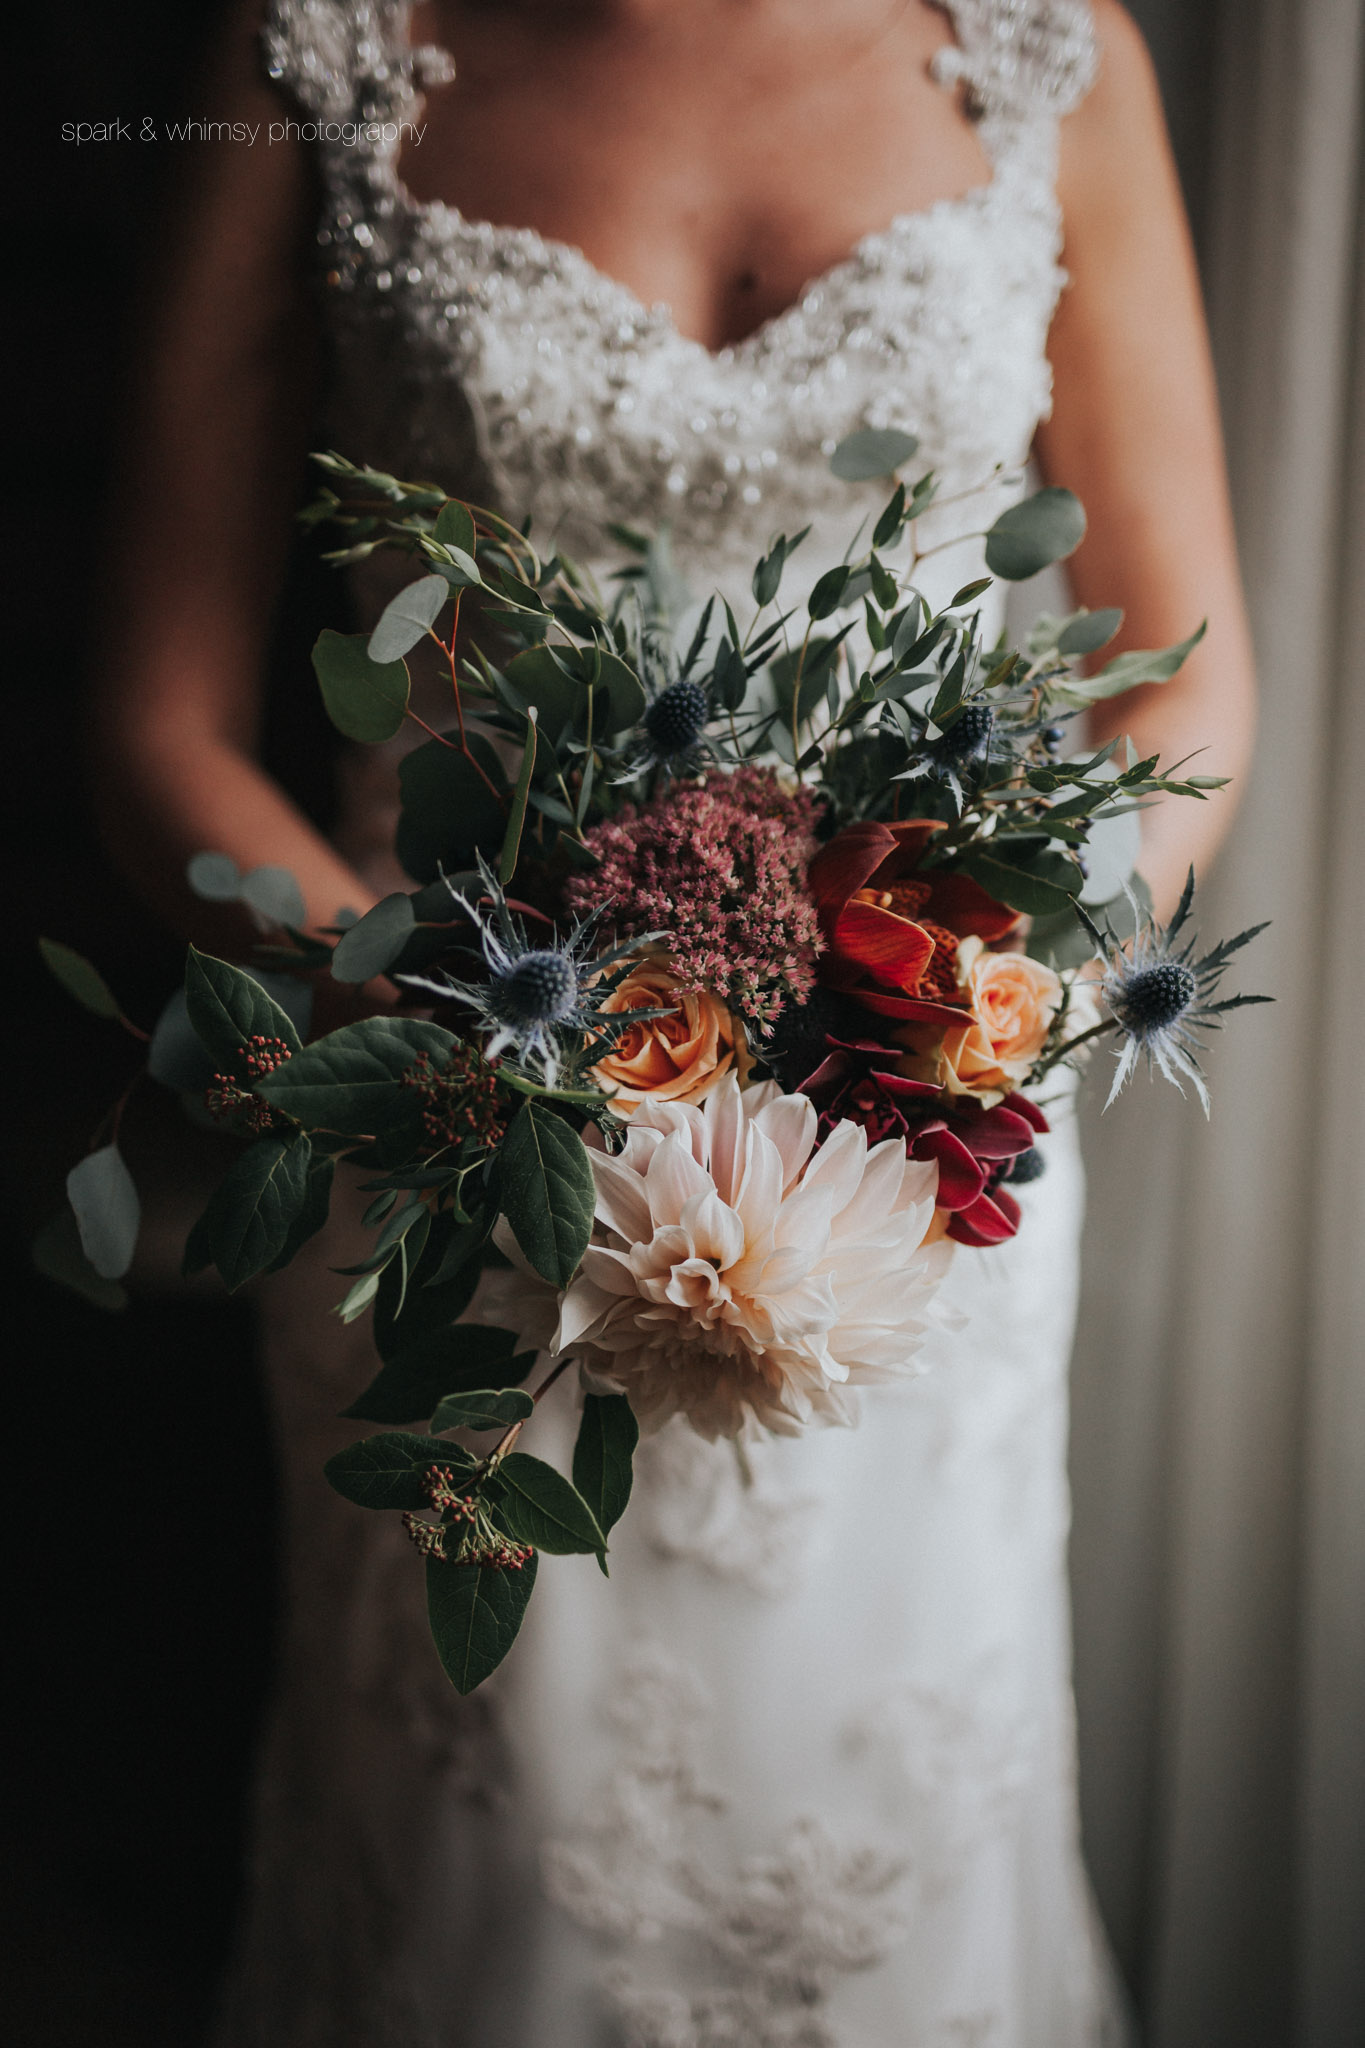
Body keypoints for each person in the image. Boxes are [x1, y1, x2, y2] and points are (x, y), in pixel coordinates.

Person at [94, 3, 1257, 2042]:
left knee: (881, 1817)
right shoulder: (322, 53)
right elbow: (156, 723)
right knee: (484, 1856)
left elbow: (1182, 686)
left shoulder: (1042, 52)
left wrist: (987, 1007)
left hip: (918, 1163)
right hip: (455, 1153)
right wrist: (452, 1036)